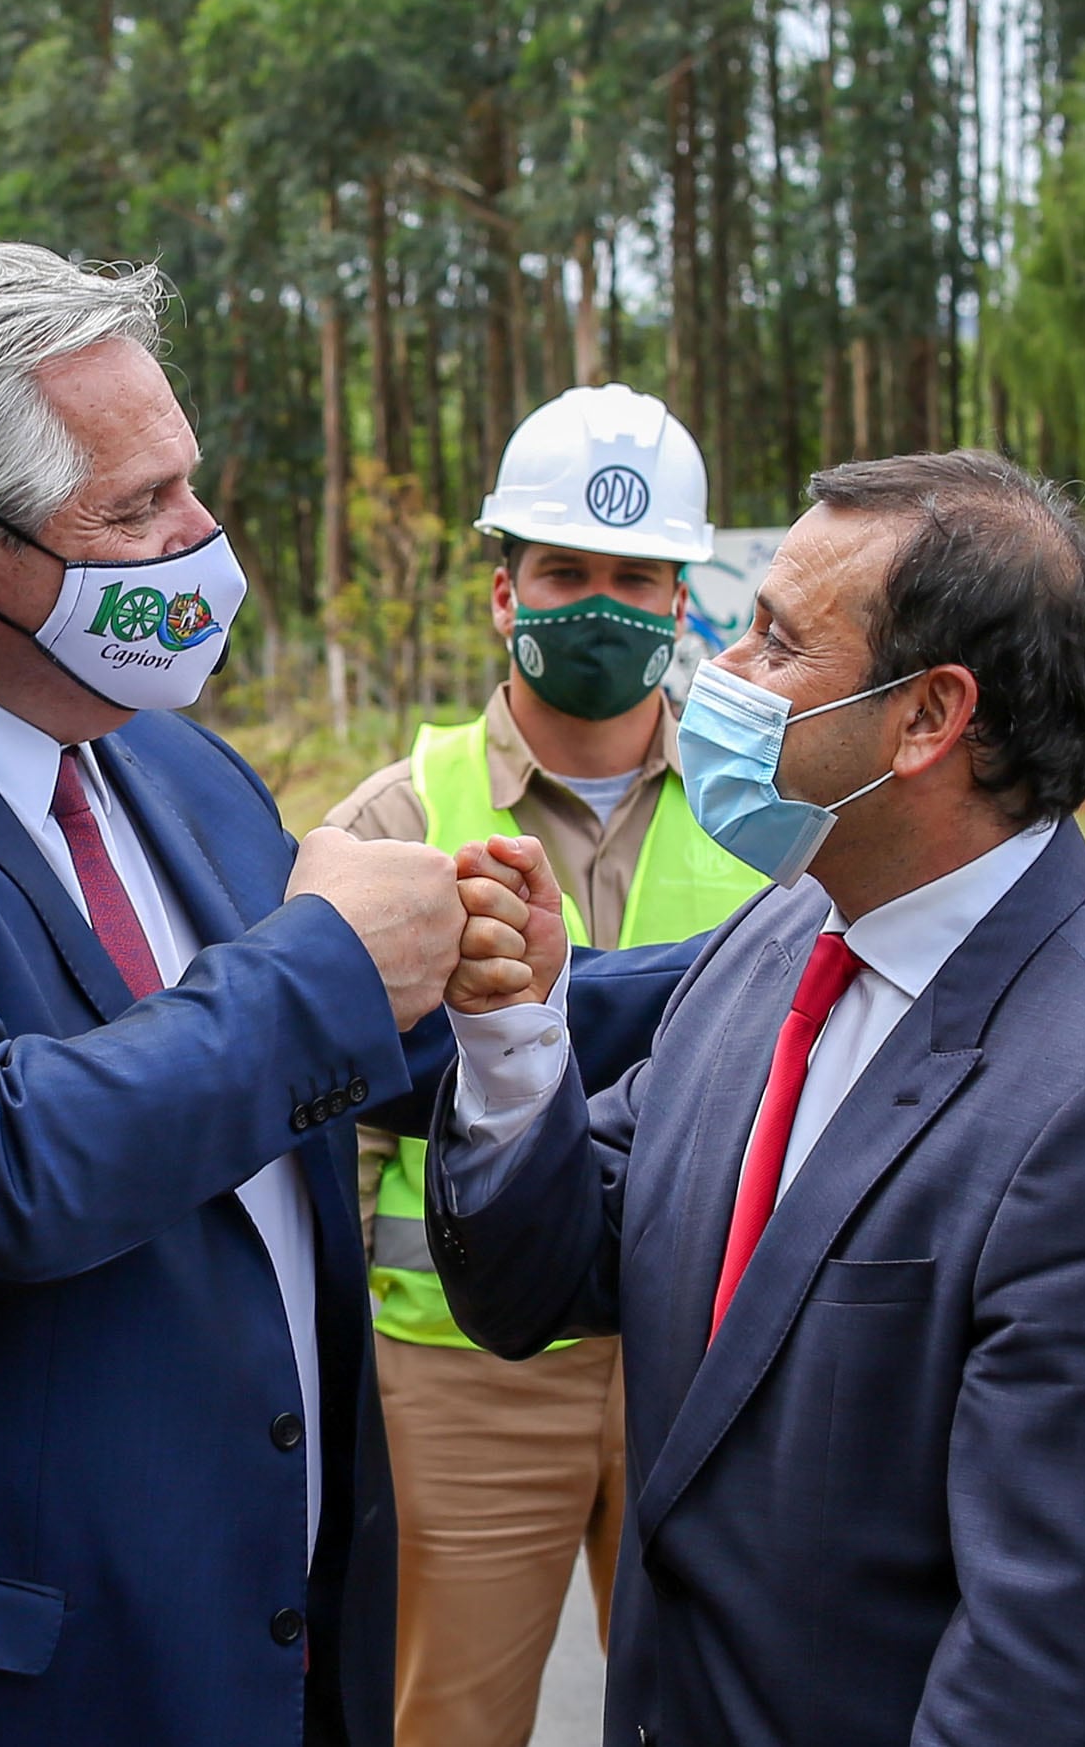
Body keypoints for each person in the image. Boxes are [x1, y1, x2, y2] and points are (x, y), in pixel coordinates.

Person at [0, 243, 677, 1747]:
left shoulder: (161, 764)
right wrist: (327, 962)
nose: (199, 536)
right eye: (135, 507)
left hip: (221, 1654)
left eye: (186, 482)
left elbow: (353, 1049)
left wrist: (773, 970)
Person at [428, 450, 1085, 1746]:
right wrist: (508, 1037)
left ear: (927, 719)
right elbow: (541, 1277)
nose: (712, 679)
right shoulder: (777, 945)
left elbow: (1049, 1673)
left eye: (771, 643)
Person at [325, 384, 759, 1747]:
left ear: (684, 601)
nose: (601, 604)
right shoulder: (396, 821)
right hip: (459, 1384)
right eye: (563, 571)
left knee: (717, 1713)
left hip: (705, 1363)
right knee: (444, 1721)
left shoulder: (770, 824)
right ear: (503, 595)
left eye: (636, 578)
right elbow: (324, 1120)